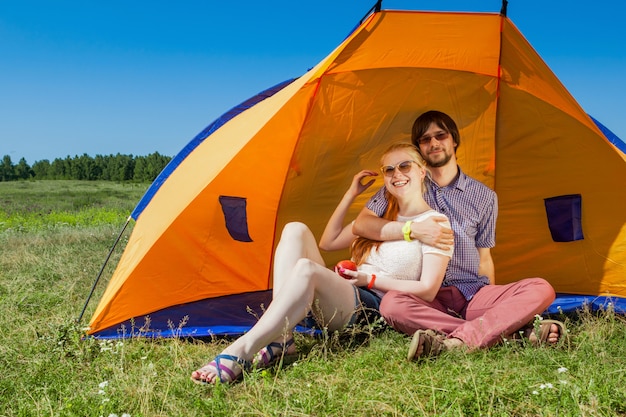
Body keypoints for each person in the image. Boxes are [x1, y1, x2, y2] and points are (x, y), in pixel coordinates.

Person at [191, 143, 453, 384]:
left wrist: (370, 280)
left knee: (307, 269)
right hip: (349, 293)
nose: (397, 174)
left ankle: (241, 351)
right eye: (389, 169)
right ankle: (281, 339)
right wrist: (351, 193)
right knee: (295, 229)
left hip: (375, 308)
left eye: (405, 166)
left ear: (422, 172)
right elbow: (328, 241)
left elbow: (428, 289)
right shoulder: (381, 220)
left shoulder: (435, 223)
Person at [353, 110, 565, 359]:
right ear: (418, 150)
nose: (433, 143)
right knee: (392, 304)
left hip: (473, 293)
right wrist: (411, 230)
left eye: (440, 135)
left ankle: (459, 340)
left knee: (540, 287)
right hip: (427, 296)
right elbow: (362, 224)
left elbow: (484, 256)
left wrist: (493, 305)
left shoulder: (485, 196)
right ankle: (513, 336)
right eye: (424, 139)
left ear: (454, 139)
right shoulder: (404, 182)